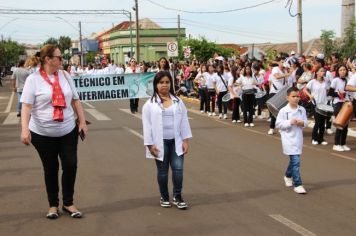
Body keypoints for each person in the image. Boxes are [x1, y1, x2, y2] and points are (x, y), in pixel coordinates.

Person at [20, 44, 88, 219]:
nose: (61, 60)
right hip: (42, 134)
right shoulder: (33, 80)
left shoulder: (65, 75)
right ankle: (53, 205)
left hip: (67, 130)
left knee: (71, 165)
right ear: (48, 59)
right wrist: (24, 129)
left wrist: (82, 121)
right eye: (59, 57)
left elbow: (75, 100)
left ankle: (68, 202)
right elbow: (27, 106)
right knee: (51, 168)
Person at [142, 71, 192, 209]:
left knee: (178, 169)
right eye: (161, 82)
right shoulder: (149, 104)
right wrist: (150, 145)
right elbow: (147, 126)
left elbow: (184, 121)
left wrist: (186, 140)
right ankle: (164, 196)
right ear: (156, 85)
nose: (164, 85)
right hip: (160, 142)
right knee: (163, 171)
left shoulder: (178, 101)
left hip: (176, 140)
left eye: (167, 82)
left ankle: (177, 196)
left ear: (171, 84)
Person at [276, 86, 308, 194]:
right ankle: (298, 184)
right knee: (296, 161)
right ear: (287, 98)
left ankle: (288, 175)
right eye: (293, 96)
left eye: (298, 96)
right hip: (288, 139)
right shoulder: (283, 111)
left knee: (294, 161)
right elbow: (278, 124)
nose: (296, 98)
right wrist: (289, 122)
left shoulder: (301, 109)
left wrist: (301, 123)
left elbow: (306, 123)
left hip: (298, 138)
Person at [329, 65, 351, 152]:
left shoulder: (348, 80)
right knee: (340, 124)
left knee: (345, 125)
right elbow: (330, 93)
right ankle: (336, 144)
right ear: (338, 71)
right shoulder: (335, 80)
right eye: (341, 70)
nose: (343, 71)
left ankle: (343, 143)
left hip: (346, 103)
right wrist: (338, 94)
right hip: (338, 104)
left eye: (344, 69)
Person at [305, 67, 329, 145]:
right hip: (315, 104)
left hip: (324, 105)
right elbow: (305, 89)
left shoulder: (326, 82)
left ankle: (321, 139)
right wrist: (310, 95)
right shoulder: (312, 82)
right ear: (317, 73)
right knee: (318, 122)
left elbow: (328, 91)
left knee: (323, 122)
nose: (323, 72)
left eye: (324, 71)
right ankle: (314, 138)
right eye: (321, 71)